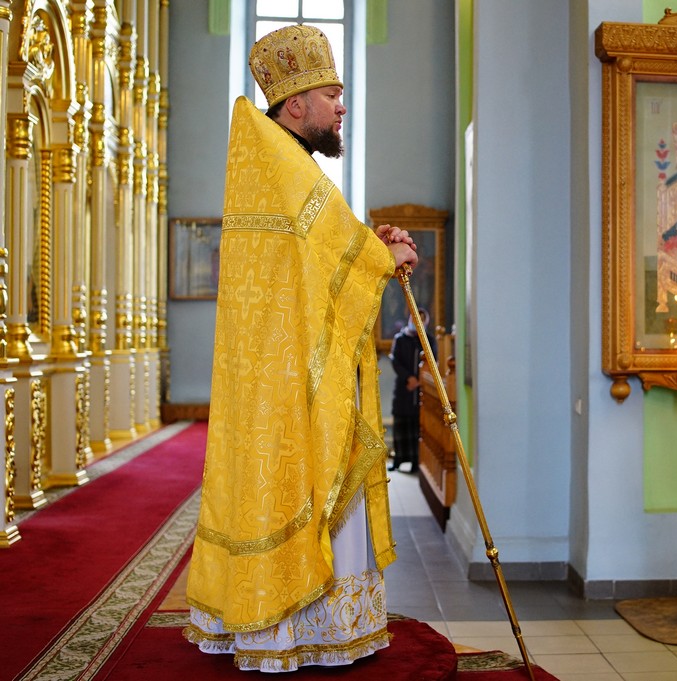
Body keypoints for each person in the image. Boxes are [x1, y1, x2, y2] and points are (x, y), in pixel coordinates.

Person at [183, 25, 418, 671]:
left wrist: (371, 245)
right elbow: (329, 252)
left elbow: (317, 256)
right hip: (290, 372)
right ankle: (304, 631)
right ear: (295, 104)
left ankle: (282, 626)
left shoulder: (276, 160)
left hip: (283, 364)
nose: (342, 107)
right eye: (332, 95)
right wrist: (385, 257)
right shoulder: (284, 163)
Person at [389, 308, 437, 473]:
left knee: (416, 428)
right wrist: (408, 377)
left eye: (421, 319)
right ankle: (398, 460)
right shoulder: (400, 338)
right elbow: (395, 360)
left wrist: (418, 381)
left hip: (420, 389)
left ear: (425, 322)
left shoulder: (429, 340)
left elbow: (433, 361)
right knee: (401, 426)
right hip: (403, 388)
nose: (417, 322)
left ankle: (416, 462)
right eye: (415, 318)